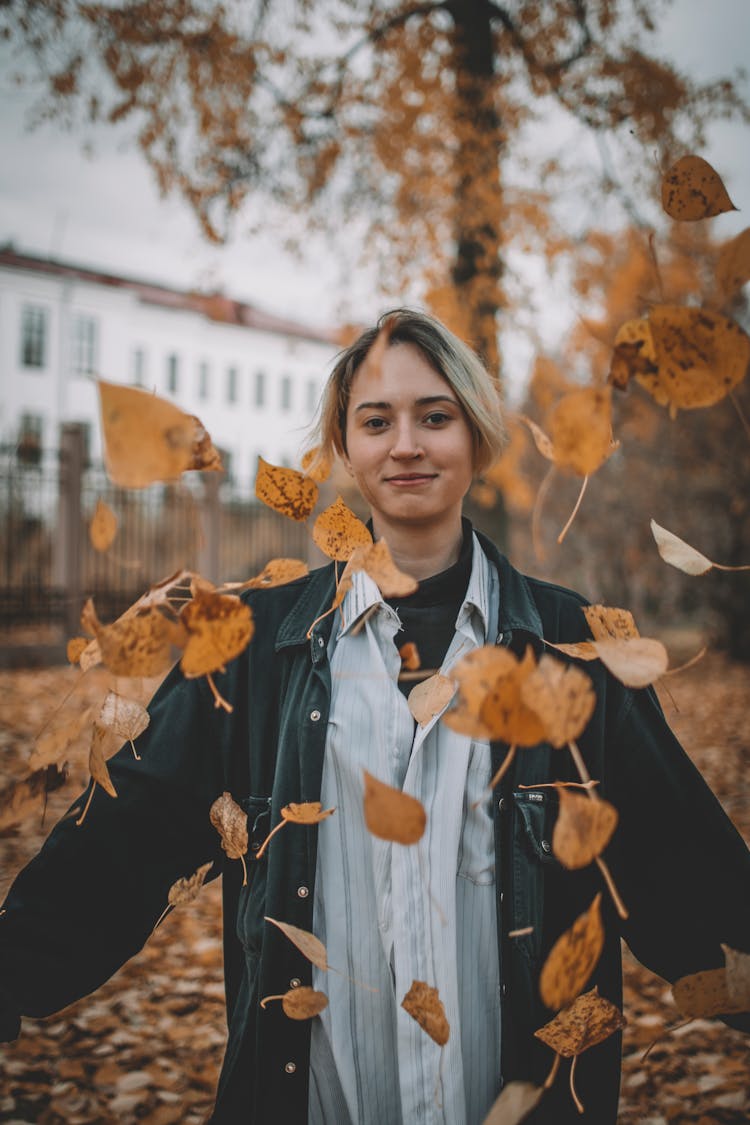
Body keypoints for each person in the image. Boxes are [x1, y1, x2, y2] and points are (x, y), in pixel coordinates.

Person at [0, 308, 748, 1125]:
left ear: (477, 437)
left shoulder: (571, 652)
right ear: (345, 448)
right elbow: (121, 843)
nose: (406, 444)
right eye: (376, 420)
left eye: (436, 416)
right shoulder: (253, 653)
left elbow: (689, 875)